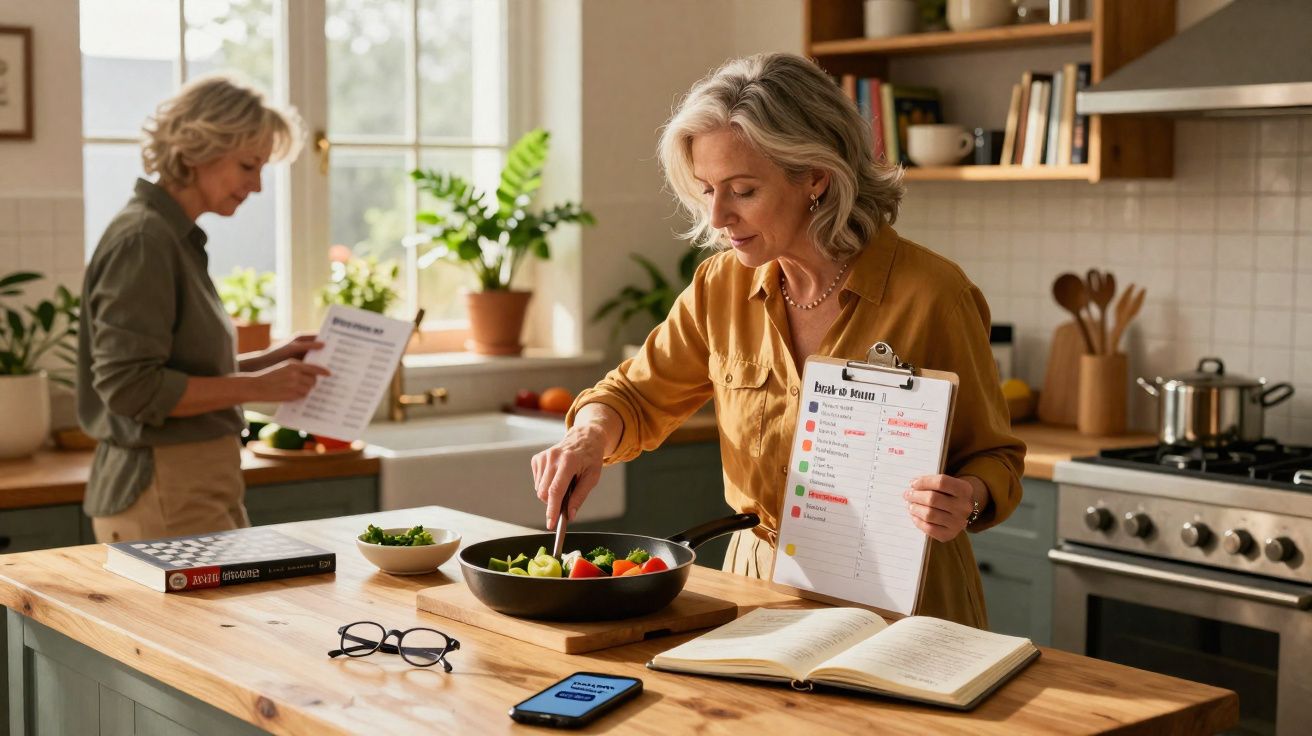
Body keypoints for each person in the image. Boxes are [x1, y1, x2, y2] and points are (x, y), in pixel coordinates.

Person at [531, 53, 1025, 628]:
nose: (717, 216)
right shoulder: (720, 287)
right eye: (707, 189)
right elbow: (634, 398)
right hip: (757, 592)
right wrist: (589, 437)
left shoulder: (933, 294)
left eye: (742, 190)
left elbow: (996, 459)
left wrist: (968, 496)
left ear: (816, 176)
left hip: (903, 604)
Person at [79, 74, 329, 544]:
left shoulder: (170, 238)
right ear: (199, 150)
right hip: (164, 486)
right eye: (249, 166)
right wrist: (256, 386)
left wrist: (267, 361)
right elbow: (131, 388)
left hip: (191, 483)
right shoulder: (144, 240)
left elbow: (176, 369)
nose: (256, 186)